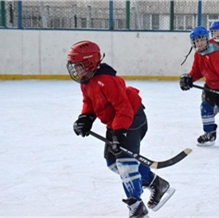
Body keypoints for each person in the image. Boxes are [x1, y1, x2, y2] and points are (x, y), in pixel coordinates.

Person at [67, 40, 175, 217]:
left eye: (78, 65)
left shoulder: (107, 81)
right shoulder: (86, 81)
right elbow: (89, 103)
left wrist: (119, 133)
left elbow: (124, 108)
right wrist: (85, 118)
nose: (75, 70)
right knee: (112, 163)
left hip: (132, 119)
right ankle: (157, 183)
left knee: (126, 165)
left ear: (89, 62)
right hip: (117, 122)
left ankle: (136, 208)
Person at [179, 27, 219, 146]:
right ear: (193, 43)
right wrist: (190, 78)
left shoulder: (215, 53)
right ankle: (210, 134)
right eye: (197, 41)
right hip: (209, 86)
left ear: (207, 40)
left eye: (202, 40)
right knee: (205, 107)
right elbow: (197, 71)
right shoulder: (198, 55)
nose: (199, 43)